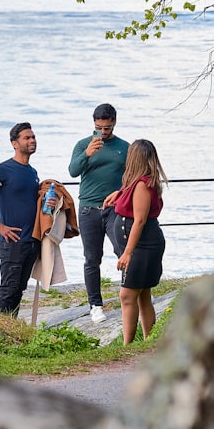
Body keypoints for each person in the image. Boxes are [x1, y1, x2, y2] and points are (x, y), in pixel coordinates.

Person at [0, 122, 54, 316]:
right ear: (14, 143)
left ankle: (11, 332)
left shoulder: (32, 172)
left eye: (33, 137)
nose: (32, 141)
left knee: (18, 291)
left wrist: (49, 204)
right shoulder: (3, 169)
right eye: (27, 138)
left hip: (31, 241)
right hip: (12, 242)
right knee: (8, 290)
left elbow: (31, 203)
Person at [68, 103, 129, 324]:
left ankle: (130, 296)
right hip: (88, 209)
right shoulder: (83, 144)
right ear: (94, 123)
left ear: (114, 122)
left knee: (123, 251)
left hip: (115, 208)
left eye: (108, 128)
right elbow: (73, 171)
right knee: (92, 258)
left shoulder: (125, 147)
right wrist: (86, 154)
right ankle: (95, 305)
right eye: (100, 127)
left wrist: (119, 192)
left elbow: (133, 178)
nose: (104, 132)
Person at [104, 139, 168, 345]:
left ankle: (127, 344)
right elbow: (130, 194)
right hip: (143, 245)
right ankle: (148, 342)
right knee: (142, 295)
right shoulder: (136, 182)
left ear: (135, 158)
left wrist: (128, 252)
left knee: (127, 295)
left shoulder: (142, 185)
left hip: (143, 247)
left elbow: (139, 220)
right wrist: (119, 193)